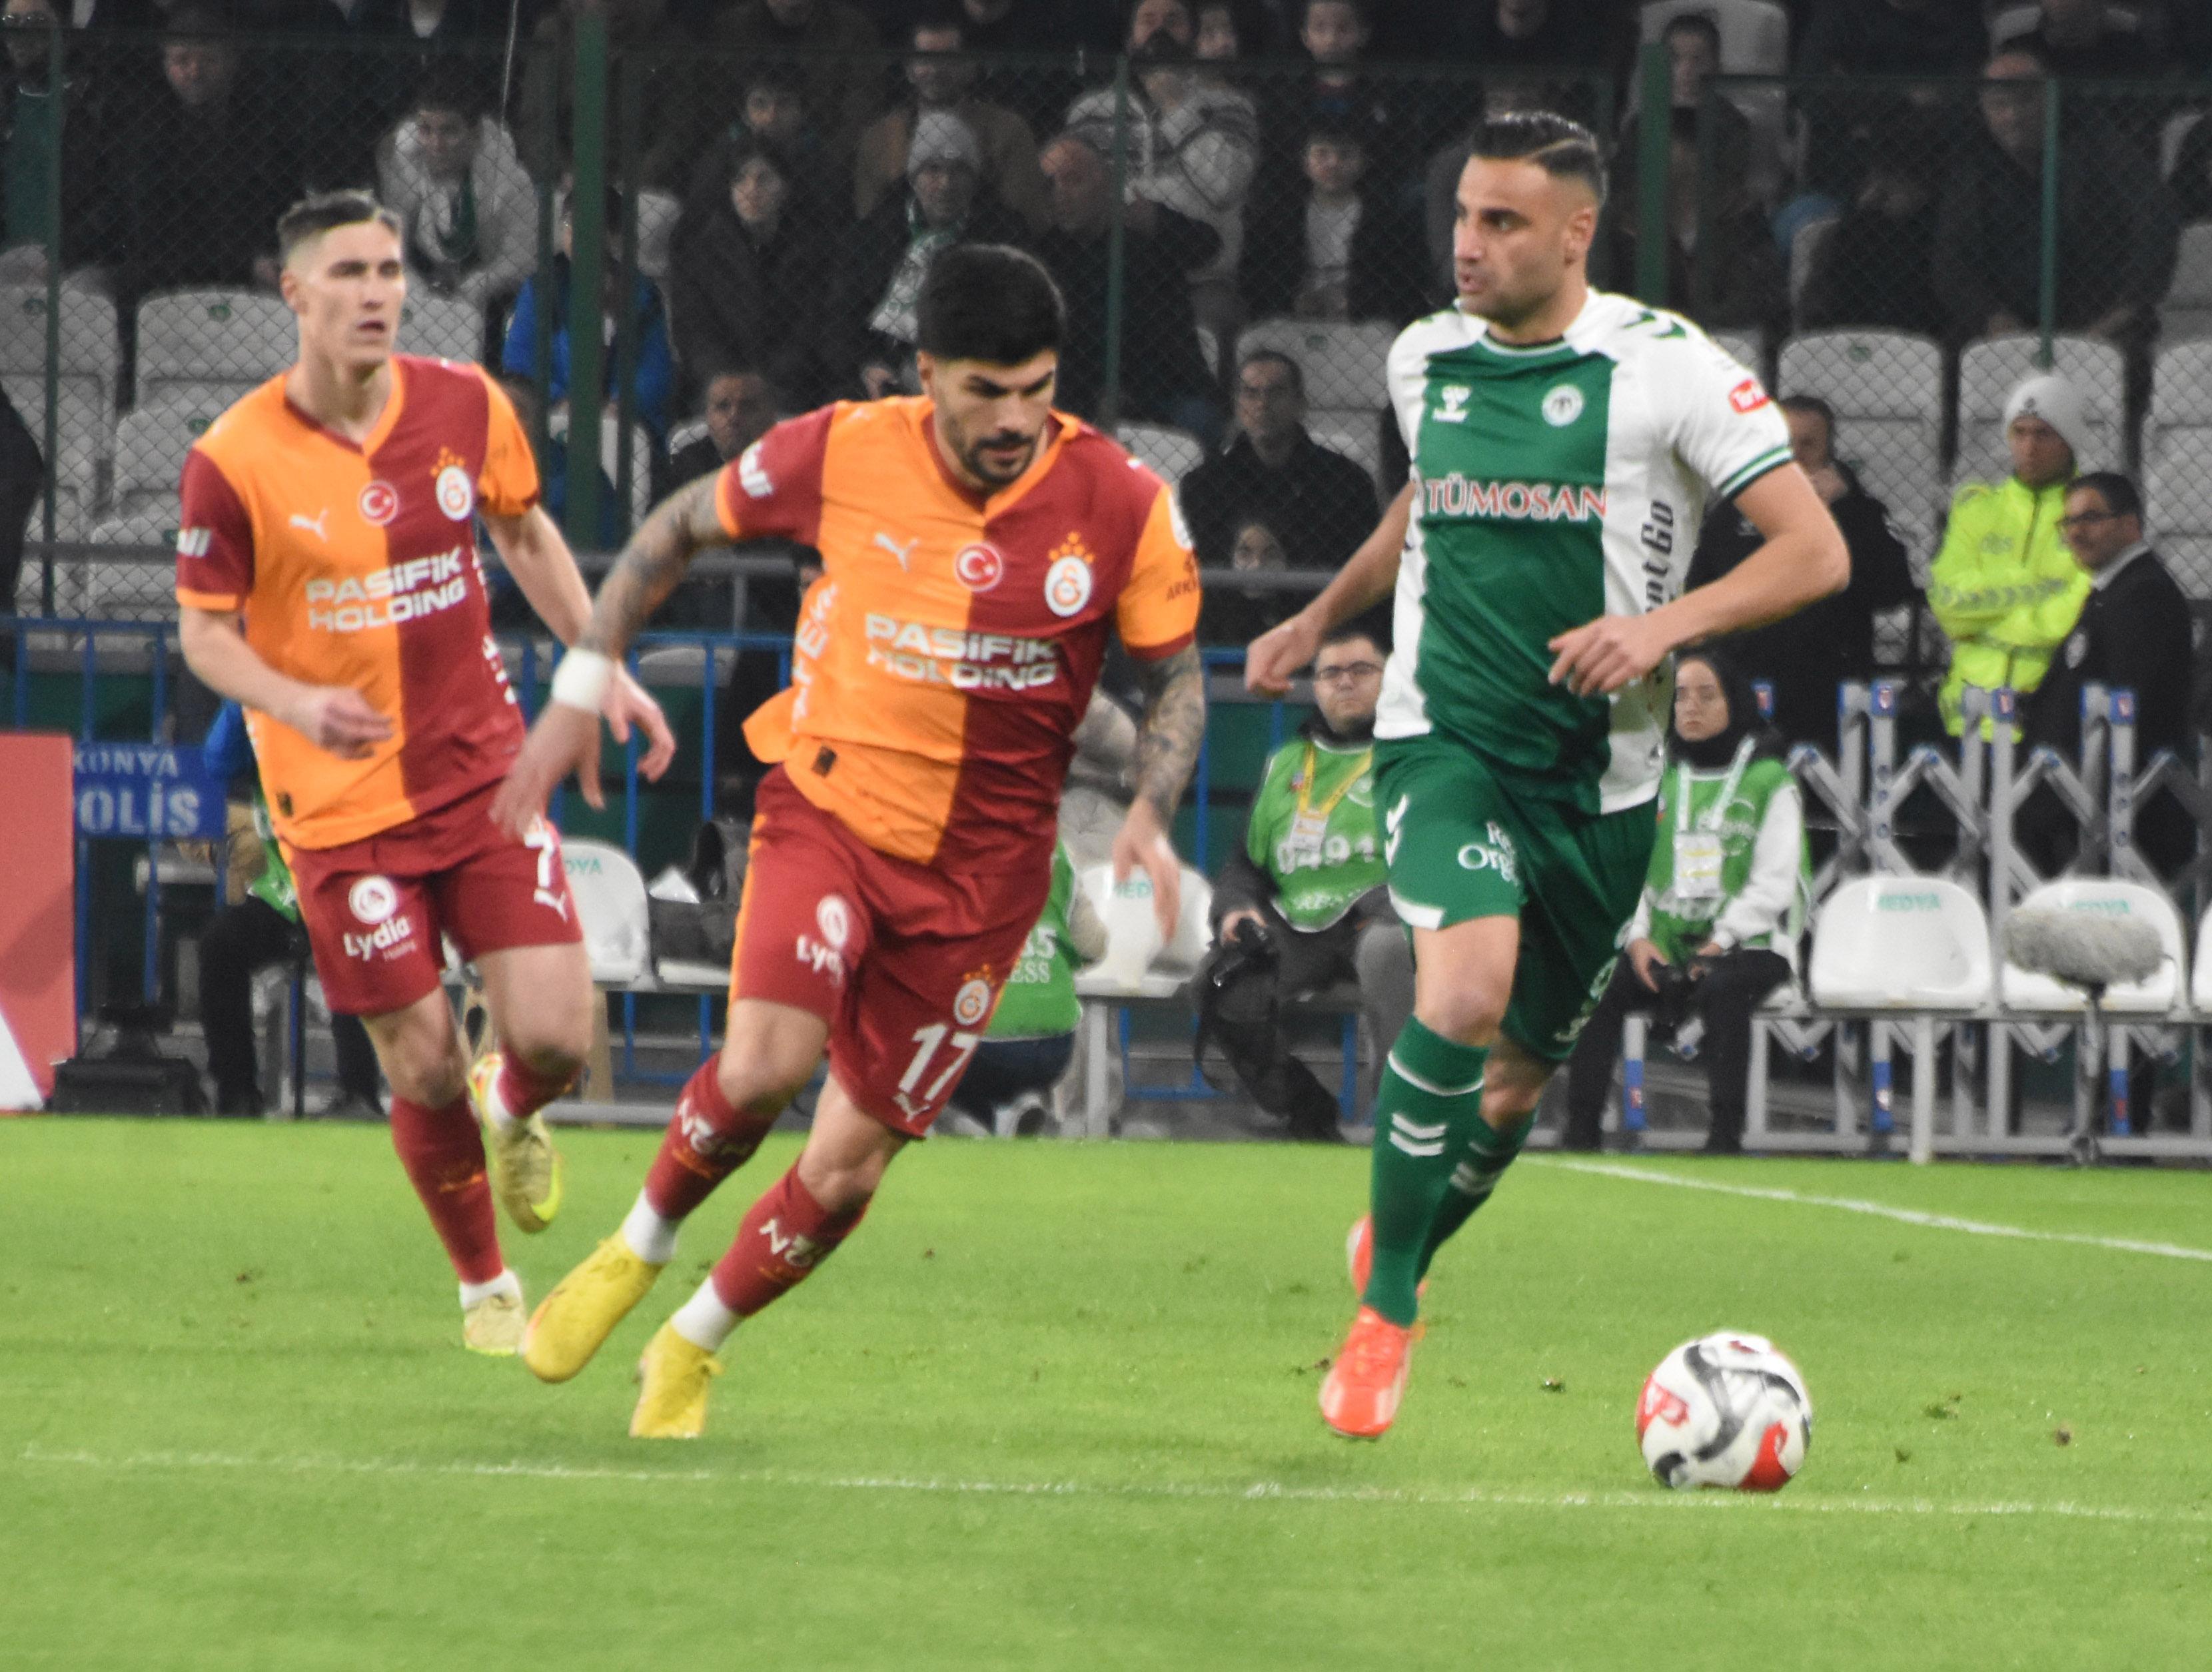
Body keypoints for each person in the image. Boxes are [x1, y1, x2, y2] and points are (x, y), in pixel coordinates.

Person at [492, 243, 1208, 1440]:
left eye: (1037, 389)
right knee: (765, 1068)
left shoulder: (1124, 501)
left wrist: (1150, 806)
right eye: (986, 391)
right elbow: (676, 525)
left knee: (847, 1168)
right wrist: (581, 680)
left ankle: (694, 1339)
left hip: (983, 888)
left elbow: (1175, 676)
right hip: (831, 813)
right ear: (927, 374)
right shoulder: (842, 449)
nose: (1015, 419)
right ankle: (638, 1246)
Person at [1245, 112, 1846, 1439]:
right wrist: (1318, 616)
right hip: (1447, 740)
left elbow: (1816, 553)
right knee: (1460, 994)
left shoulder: (1669, 369)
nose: (1467, 244)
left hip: (1604, 785)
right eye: (1463, 215)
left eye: (1502, 222)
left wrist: (1662, 627)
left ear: (1578, 233)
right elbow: (1423, 506)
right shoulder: (1423, 357)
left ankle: (1400, 1236)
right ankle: (1386, 1312)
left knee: (1513, 1089)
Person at [173, 191, 676, 1354]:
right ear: (295, 294)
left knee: (553, 1038)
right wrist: (296, 700)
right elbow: (204, 634)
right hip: (337, 805)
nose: (377, 293)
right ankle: (485, 1284)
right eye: (349, 272)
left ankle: (516, 1105)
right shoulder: (231, 459)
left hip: (480, 773)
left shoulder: (465, 402)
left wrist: (600, 665)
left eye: (391, 271)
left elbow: (525, 533)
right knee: (422, 1056)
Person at [1561, 649, 1806, 1154]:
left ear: (1734, 702)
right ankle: (1581, 1130)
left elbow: (1776, 882)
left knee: (1723, 987)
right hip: (1664, 942)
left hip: (1750, 945)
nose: (1691, 708)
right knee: (1599, 984)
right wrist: (1638, 939)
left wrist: (1720, 941)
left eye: (1707, 696)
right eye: (1682, 697)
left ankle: (1725, 1136)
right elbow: (1629, 869)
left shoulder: (1770, 781)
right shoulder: (1656, 778)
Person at [1203, 624, 1410, 1142]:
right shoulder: (1284, 765)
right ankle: (1305, 1110)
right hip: (1296, 926)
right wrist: (1236, 908)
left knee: (1390, 951)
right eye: (1330, 673)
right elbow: (1243, 867)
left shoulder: (1412, 756)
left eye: (1361, 670)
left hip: (1382, 916)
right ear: (1314, 687)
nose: (1345, 682)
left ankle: (1402, 1120)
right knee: (1219, 981)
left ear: (1390, 678)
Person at [1686, 395, 1916, 749]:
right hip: (1746, 679)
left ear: (1829, 453)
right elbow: (1698, 590)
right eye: (1784, 443)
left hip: (1829, 684)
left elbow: (1893, 589)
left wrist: (1846, 509)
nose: (1795, 454)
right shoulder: (1733, 514)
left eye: (1808, 444)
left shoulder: (1859, 512)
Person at [197, 700, 384, 1119]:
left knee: (349, 943)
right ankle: (237, 1094)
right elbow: (217, 761)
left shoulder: (341, 719)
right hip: (281, 897)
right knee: (220, 944)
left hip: (344, 891)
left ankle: (359, 1094)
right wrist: (246, 696)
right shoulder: (263, 721)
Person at [1931, 49, 2178, 352]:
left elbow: (2156, 220)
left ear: (2050, 100)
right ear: (1983, 108)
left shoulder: (2102, 148)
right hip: (2003, 325)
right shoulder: (1974, 164)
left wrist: (2124, 311)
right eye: (1999, 105)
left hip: (2098, 321)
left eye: (2025, 101)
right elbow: (1951, 260)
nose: (2013, 116)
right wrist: (1994, 319)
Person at [2018, 470, 2197, 877]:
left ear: (2130, 524)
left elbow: (2130, 703)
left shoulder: (2144, 595)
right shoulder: (2112, 592)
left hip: (2115, 811)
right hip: (2075, 799)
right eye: (2068, 522)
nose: (2076, 533)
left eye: (2090, 518)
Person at [1032, 129, 1224, 442]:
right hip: (1082, 393)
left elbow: (1208, 246)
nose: (1061, 194)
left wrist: (1160, 222)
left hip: (1164, 387)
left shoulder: (1144, 233)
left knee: (1200, 420)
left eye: (1074, 180)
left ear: (1106, 182)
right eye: (1050, 184)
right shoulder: (1047, 256)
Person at [1928, 372, 2087, 736]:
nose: (2029, 447)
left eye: (2043, 434)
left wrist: (1984, 623)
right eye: (2020, 432)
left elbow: (2073, 616)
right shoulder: (1975, 510)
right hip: (1967, 717)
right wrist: (2041, 586)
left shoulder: (2088, 515)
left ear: (2069, 440)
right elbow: (1948, 603)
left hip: (2046, 718)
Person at [828, 110, 1028, 400]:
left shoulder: (1003, 237)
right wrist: (867, 365)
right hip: (884, 367)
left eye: (959, 171)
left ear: (974, 179)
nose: (946, 184)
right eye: (933, 170)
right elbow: (842, 317)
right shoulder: (874, 235)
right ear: (914, 177)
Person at [111, 7, 300, 302]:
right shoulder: (148, 131)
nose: (195, 72)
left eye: (209, 60)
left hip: (252, 273)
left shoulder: (262, 128)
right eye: (182, 61)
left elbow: (278, 208)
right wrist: (245, 263)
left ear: (232, 61)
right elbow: (151, 230)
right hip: (167, 275)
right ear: (165, 64)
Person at [943, 837, 1105, 1137]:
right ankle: (1019, 1104)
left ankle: (985, 1119)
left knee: (926, 1053)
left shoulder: (957, 842)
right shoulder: (1059, 851)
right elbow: (1094, 944)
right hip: (1056, 1045)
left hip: (981, 1042)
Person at [499, 187, 676, 448]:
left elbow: (654, 368)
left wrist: (620, 405)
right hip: (552, 414)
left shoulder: (640, 294)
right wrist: (558, 399)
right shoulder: (542, 288)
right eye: (570, 224)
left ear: (614, 236)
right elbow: (520, 360)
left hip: (623, 422)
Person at [668, 136, 831, 410]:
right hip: (718, 386)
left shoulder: (811, 250)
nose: (752, 190)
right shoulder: (701, 251)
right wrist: (730, 382)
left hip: (788, 388)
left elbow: (810, 327)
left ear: (785, 188)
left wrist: (768, 383)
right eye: (740, 179)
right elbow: (694, 329)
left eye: (764, 179)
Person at [1181, 348, 1376, 574]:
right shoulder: (1204, 487)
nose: (1262, 404)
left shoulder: (1346, 484)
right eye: (1251, 393)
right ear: (1237, 406)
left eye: (1276, 393)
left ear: (1300, 404)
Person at [853, 9, 1047, 232]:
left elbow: (1028, 216)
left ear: (970, 67)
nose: (937, 69)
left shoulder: (1008, 132)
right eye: (926, 59)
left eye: (949, 59)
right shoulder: (881, 138)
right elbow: (867, 223)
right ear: (909, 69)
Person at [374, 64, 538, 316]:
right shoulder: (403, 165)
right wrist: (421, 296)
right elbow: (392, 245)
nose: (436, 144)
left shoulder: (510, 182)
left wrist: (478, 286)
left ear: (475, 134)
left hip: (493, 298)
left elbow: (522, 257)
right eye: (426, 130)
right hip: (420, 292)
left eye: (449, 131)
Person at [1239, 121, 1428, 326]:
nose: (1333, 163)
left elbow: (1401, 281)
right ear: (1305, 163)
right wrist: (1294, 300)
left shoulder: (1385, 220)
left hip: (1361, 321)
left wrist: (1354, 300)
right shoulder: (1280, 217)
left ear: (1363, 163)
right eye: (1322, 154)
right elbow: (1257, 277)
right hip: (1291, 318)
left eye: (1345, 155)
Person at [666, 367, 781, 490]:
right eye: (723, 406)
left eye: (747, 406)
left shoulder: (789, 457)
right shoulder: (688, 464)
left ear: (771, 414)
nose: (734, 416)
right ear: (708, 416)